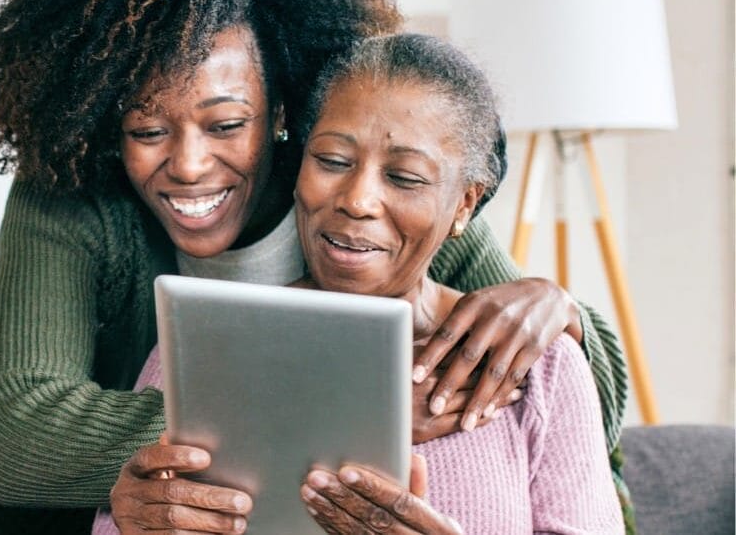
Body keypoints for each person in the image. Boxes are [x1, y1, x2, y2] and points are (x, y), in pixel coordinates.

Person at [0, 0, 627, 513]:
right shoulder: (74, 191)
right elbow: (19, 441)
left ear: (283, 112)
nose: (189, 165)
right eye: (147, 130)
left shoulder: (364, 193)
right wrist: (350, 410)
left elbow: (572, 399)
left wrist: (559, 309)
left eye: (226, 125)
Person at [99, 34, 624, 534]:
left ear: (464, 203)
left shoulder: (544, 366)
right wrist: (130, 519)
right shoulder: (203, 340)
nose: (357, 199)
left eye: (404, 178)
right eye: (331, 161)